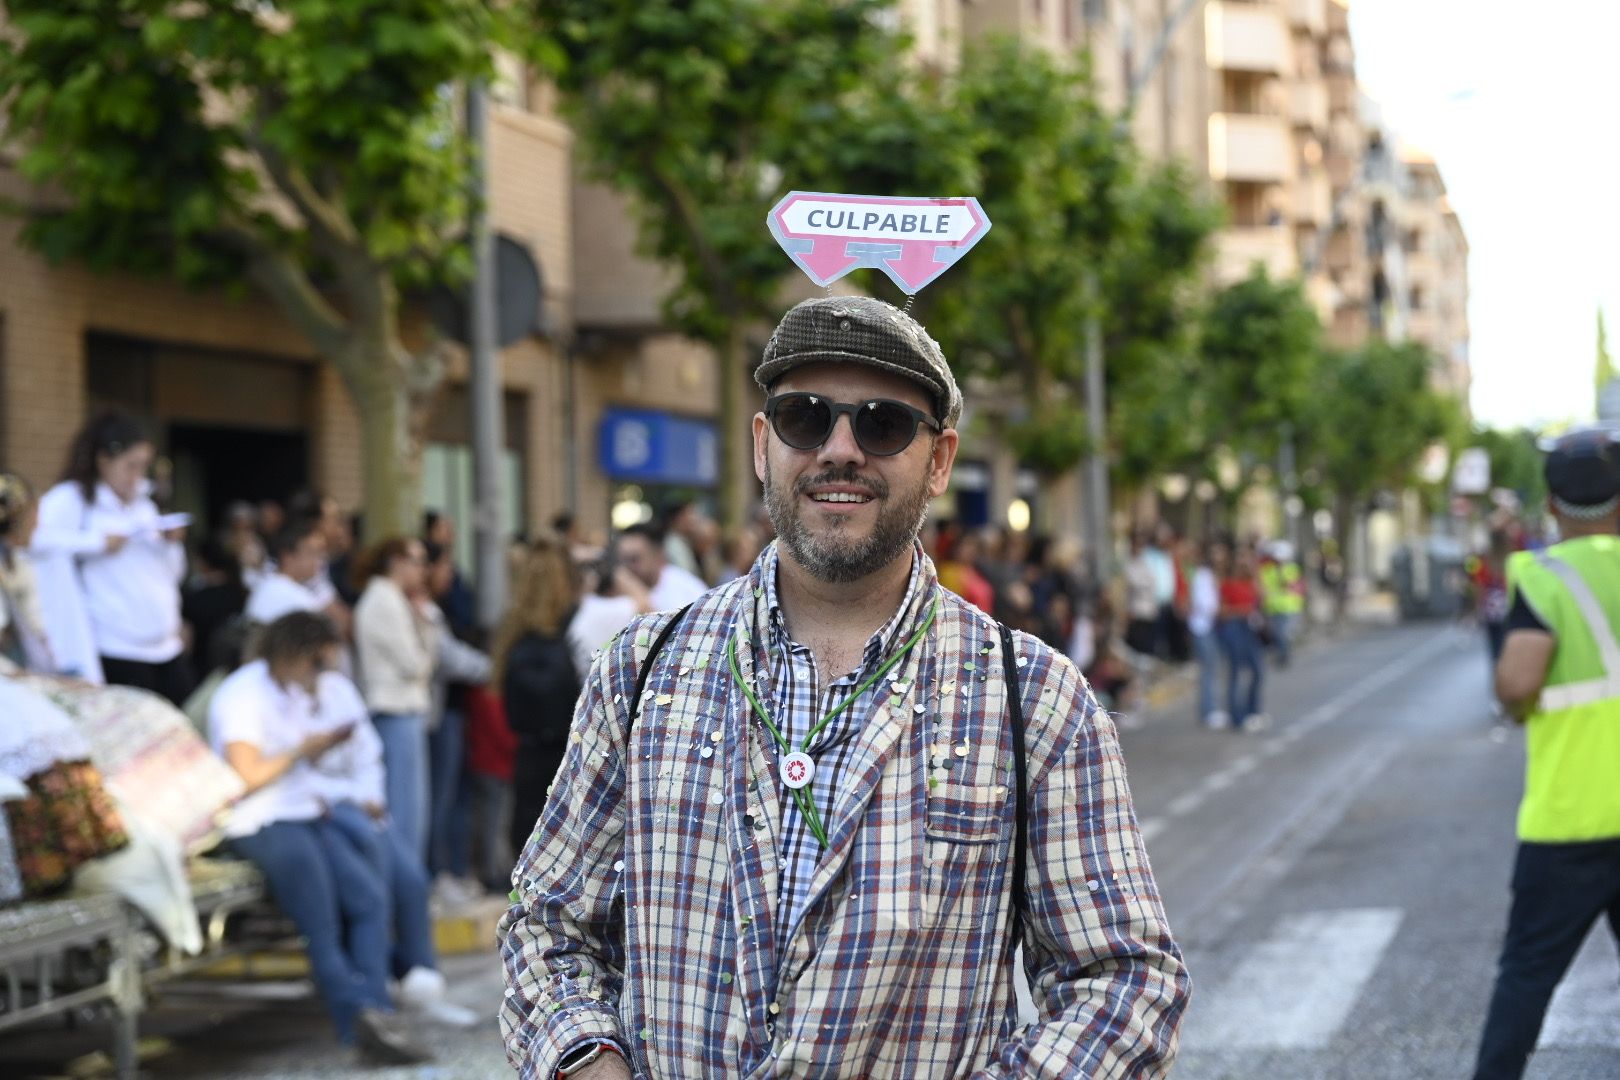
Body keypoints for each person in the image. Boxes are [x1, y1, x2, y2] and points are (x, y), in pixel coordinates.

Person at [499, 295, 1186, 1078]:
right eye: (806, 417)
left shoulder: (1032, 697)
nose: (841, 449)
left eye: (884, 424)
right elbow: (545, 923)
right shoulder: (642, 670)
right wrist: (587, 1061)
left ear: (940, 460)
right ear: (764, 445)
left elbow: (1126, 982)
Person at [207, 612, 433, 1064]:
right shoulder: (242, 695)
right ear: (294, 654)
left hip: (308, 810)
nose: (324, 677)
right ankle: (357, 1023)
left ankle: (377, 1012)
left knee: (368, 899)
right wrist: (303, 752)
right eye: (318, 665)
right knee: (322, 920)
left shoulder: (290, 687)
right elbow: (244, 775)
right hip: (263, 820)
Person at [1472, 428, 1620, 1080]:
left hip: (1572, 818)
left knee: (1528, 977)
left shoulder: (1548, 576)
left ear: (1554, 504)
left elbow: (1517, 686)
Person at [32, 411, 191, 699]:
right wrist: (95, 542)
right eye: (130, 466)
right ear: (103, 460)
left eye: (143, 467)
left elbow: (172, 574)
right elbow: (32, 539)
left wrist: (171, 544)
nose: (137, 476)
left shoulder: (145, 505)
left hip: (164, 643)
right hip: (116, 646)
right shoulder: (73, 498)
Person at [493, 537, 583, 859]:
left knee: (529, 835)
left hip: (529, 749)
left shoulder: (514, 635)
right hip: (559, 750)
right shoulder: (566, 632)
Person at [353, 536, 437, 858]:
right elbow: (416, 663)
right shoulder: (383, 600)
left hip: (403, 710)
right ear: (395, 563)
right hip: (395, 711)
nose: (423, 570)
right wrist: (425, 626)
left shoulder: (390, 598)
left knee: (411, 807)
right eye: (417, 561)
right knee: (406, 810)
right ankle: (405, 883)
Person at [246, 518, 346, 630]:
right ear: (288, 557)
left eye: (320, 554)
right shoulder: (281, 591)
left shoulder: (272, 584)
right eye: (311, 553)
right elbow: (341, 629)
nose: (319, 561)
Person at [566, 552, 654, 679]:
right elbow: (648, 607)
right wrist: (614, 568)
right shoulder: (597, 610)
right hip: (621, 687)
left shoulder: (575, 617)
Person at [0, 474, 55, 674]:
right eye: (33, 515)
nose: (37, 524)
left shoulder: (18, 563)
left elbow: (37, 628)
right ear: (14, 519)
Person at [1216, 545, 1268, 732]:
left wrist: (1255, 573)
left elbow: (1263, 598)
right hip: (1234, 628)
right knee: (1236, 673)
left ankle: (1252, 711)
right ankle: (1236, 717)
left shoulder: (1251, 582)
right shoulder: (1227, 583)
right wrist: (1242, 611)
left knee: (1258, 671)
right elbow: (1221, 612)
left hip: (1250, 629)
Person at [616, 522, 708, 612]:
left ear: (658, 556)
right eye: (622, 560)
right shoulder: (616, 588)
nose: (626, 567)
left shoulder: (687, 590)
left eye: (633, 559)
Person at [1189, 539, 1225, 728]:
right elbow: (1206, 605)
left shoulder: (1207, 576)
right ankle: (1208, 711)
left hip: (1206, 627)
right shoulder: (1203, 576)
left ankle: (1210, 710)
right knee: (1208, 671)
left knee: (1211, 670)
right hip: (1203, 628)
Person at [1258, 541, 1305, 668]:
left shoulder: (1291, 569)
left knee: (1282, 633)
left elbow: (1295, 586)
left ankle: (1283, 656)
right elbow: (1263, 586)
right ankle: (1282, 654)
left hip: (1288, 607)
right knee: (1275, 634)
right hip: (1272, 608)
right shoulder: (1267, 570)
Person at [1123, 529, 1160, 658]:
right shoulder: (1129, 564)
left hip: (1148, 613)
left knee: (1146, 651)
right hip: (1136, 613)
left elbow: (1152, 582)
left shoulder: (1148, 562)